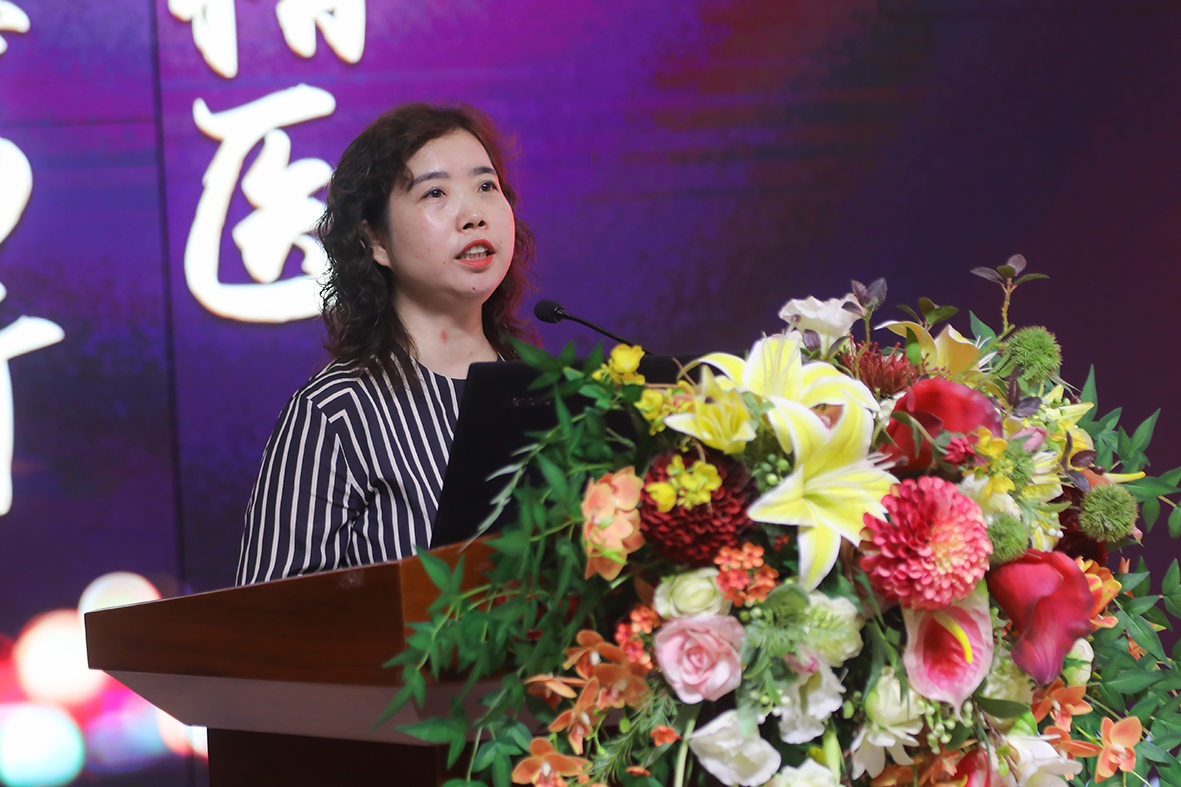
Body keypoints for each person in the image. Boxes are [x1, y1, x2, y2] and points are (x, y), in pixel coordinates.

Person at [235, 103, 535, 585]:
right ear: (375, 240)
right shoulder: (335, 413)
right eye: (435, 193)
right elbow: (269, 615)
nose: (474, 215)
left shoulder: (543, 390)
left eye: (486, 187)